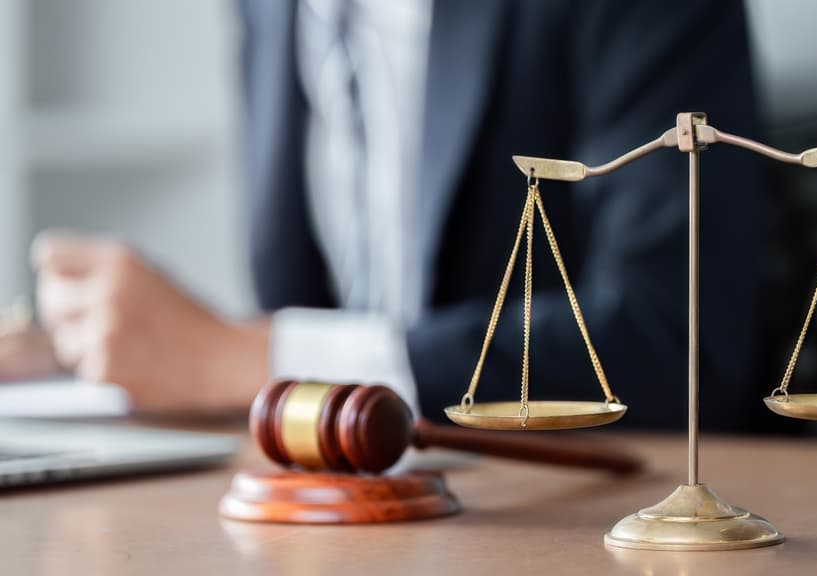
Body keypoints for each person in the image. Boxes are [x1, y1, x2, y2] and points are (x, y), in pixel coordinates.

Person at [1, 0, 761, 430]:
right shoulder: (273, 14)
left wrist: (253, 359)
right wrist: (96, 352)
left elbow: (675, 338)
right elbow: (326, 311)